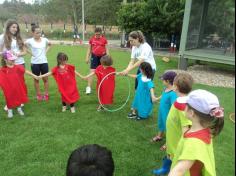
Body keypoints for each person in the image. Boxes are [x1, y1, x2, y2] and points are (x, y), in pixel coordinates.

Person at [168, 89, 224, 176]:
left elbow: (179, 171)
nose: (184, 107)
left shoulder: (194, 142)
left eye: (186, 105)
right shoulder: (205, 131)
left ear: (191, 113)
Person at [152, 72, 193, 175]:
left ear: (175, 86)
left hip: (177, 141)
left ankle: (173, 171)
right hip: (171, 136)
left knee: (175, 157)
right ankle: (165, 168)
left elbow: (186, 128)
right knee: (169, 153)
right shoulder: (179, 101)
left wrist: (183, 145)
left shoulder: (183, 106)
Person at [0, 50, 38, 118]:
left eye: (14, 59)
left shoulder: (17, 67)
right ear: (5, 60)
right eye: (11, 59)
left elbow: (25, 71)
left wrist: (34, 75)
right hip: (9, 88)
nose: (13, 60)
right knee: (9, 98)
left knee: (19, 98)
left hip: (18, 87)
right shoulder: (3, 70)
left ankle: (19, 108)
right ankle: (10, 110)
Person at [0, 19, 27, 111]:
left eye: (16, 27)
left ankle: (20, 101)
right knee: (9, 86)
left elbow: (25, 52)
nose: (15, 29)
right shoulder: (2, 37)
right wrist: (6, 53)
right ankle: (9, 103)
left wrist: (17, 54)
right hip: (7, 65)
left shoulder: (19, 38)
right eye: (13, 27)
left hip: (19, 64)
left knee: (20, 84)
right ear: (8, 27)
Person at [25, 23, 52, 101]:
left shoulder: (44, 39)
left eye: (40, 32)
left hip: (44, 62)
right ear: (32, 33)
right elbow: (23, 45)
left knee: (45, 79)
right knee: (36, 79)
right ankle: (39, 95)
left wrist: (46, 52)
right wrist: (30, 53)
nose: (39, 34)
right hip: (35, 63)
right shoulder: (30, 41)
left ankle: (46, 94)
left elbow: (50, 44)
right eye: (37, 33)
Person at [151, 71, 177, 142]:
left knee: (169, 128)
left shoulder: (173, 93)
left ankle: (168, 143)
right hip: (162, 111)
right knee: (161, 123)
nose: (162, 81)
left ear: (168, 81)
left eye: (163, 80)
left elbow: (174, 105)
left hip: (168, 114)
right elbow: (163, 95)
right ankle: (159, 136)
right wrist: (157, 99)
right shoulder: (165, 88)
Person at [85, 27, 109, 95]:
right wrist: (87, 57)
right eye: (96, 34)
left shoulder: (104, 40)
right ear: (94, 33)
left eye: (98, 34)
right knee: (92, 71)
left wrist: (108, 58)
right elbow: (89, 49)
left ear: (101, 33)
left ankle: (102, 87)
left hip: (102, 57)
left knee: (103, 72)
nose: (97, 36)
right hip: (94, 56)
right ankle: (88, 88)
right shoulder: (91, 39)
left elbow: (107, 49)